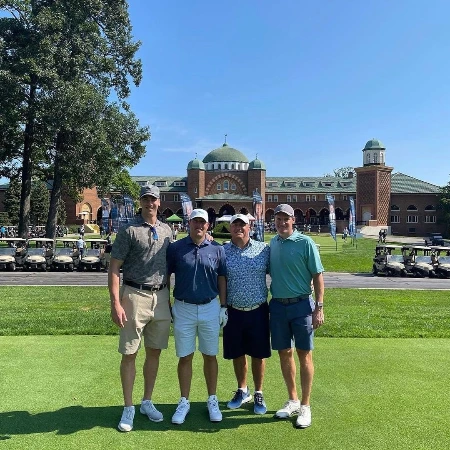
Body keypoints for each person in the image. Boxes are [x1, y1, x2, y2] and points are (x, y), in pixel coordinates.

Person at [108, 184, 172, 432]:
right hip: (134, 294)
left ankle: (146, 401)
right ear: (141, 202)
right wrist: (115, 302)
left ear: (159, 201)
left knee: (154, 352)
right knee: (130, 353)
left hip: (162, 295)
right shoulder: (129, 230)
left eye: (153, 199)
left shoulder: (167, 230)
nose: (150, 203)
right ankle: (128, 407)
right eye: (146, 199)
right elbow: (114, 268)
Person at [166, 208, 227, 425]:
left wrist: (223, 306)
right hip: (183, 308)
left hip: (210, 306)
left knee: (210, 355)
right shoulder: (176, 248)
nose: (199, 226)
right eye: (195, 222)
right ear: (188, 224)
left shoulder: (218, 249)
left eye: (202, 222)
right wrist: (167, 303)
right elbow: (166, 275)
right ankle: (184, 400)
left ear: (208, 225)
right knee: (185, 356)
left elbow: (222, 278)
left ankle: (212, 399)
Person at [269, 204, 325, 429]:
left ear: (293, 220)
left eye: (286, 219)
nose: (282, 223)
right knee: (284, 353)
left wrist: (319, 307)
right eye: (278, 219)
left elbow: (318, 277)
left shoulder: (306, 243)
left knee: (304, 355)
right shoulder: (272, 243)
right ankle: (292, 399)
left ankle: (305, 405)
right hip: (278, 306)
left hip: (302, 305)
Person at [223, 214, 271, 414]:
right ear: (230, 228)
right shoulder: (222, 250)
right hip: (233, 310)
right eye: (235, 225)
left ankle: (258, 392)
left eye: (242, 225)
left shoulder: (263, 250)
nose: (238, 228)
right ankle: (243, 390)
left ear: (249, 227)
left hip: (258, 309)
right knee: (237, 352)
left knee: (258, 354)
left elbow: (279, 270)